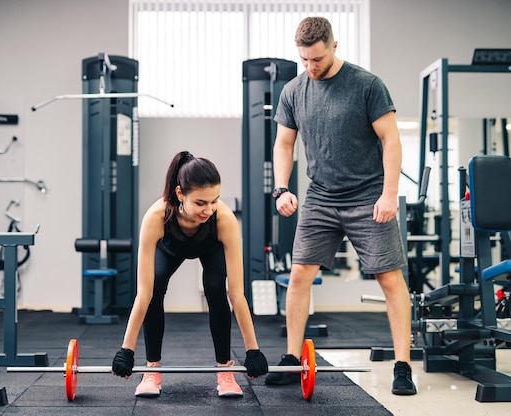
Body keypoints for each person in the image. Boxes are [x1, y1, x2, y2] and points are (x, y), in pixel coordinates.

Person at [266, 16, 417, 396]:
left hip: (368, 195)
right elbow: (285, 144)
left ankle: (403, 365)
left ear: (334, 47)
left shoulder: (367, 85)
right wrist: (281, 189)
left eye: (316, 59)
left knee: (389, 278)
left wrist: (389, 193)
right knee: (300, 274)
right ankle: (290, 358)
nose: (310, 67)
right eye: (304, 60)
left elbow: (391, 140)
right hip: (320, 195)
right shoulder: (294, 91)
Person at [112, 151, 269, 397]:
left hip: (210, 247)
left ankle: (225, 370)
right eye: (200, 203)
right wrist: (126, 350)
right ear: (180, 194)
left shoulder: (224, 219)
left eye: (214, 200)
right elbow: (143, 292)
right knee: (155, 287)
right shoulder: (156, 216)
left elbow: (237, 294)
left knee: (216, 289)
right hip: (170, 248)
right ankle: (151, 369)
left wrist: (253, 350)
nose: (209, 209)